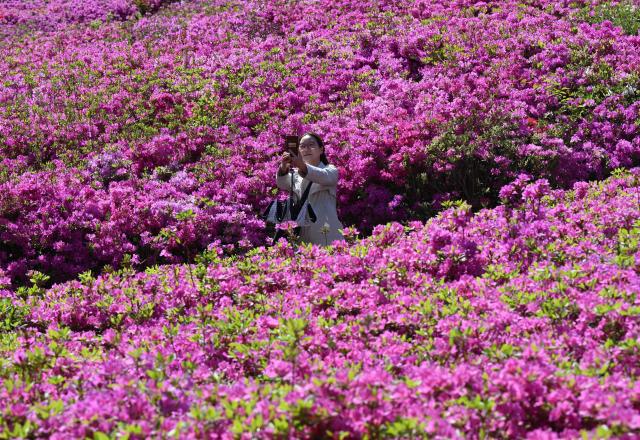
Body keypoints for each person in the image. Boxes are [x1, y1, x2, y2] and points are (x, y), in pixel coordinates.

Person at [276, 132, 345, 246]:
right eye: (302, 146)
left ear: (321, 149)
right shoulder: (296, 174)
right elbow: (282, 183)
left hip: (325, 232)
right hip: (302, 233)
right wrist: (284, 167)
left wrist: (301, 165)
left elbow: (321, 175)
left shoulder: (330, 169)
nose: (306, 149)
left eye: (311, 145)